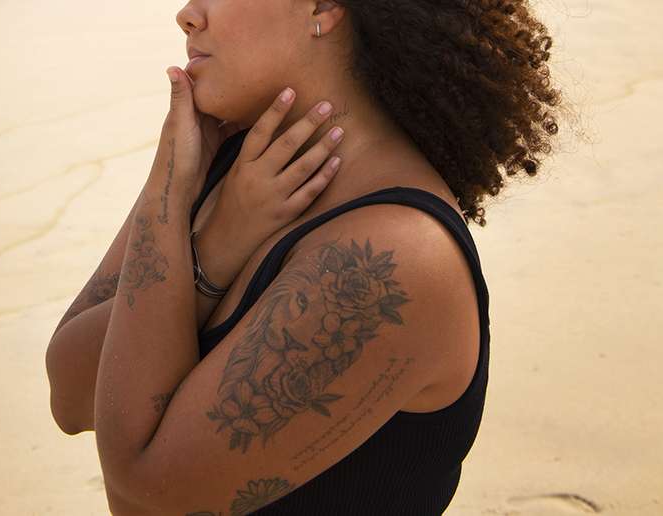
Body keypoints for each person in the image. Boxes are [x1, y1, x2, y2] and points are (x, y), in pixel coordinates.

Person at [46, 1, 566, 514]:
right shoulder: (231, 162)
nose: (186, 14)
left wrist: (173, 203)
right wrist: (212, 241)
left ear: (322, 6)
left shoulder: (397, 256)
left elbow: (146, 497)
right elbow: (70, 396)